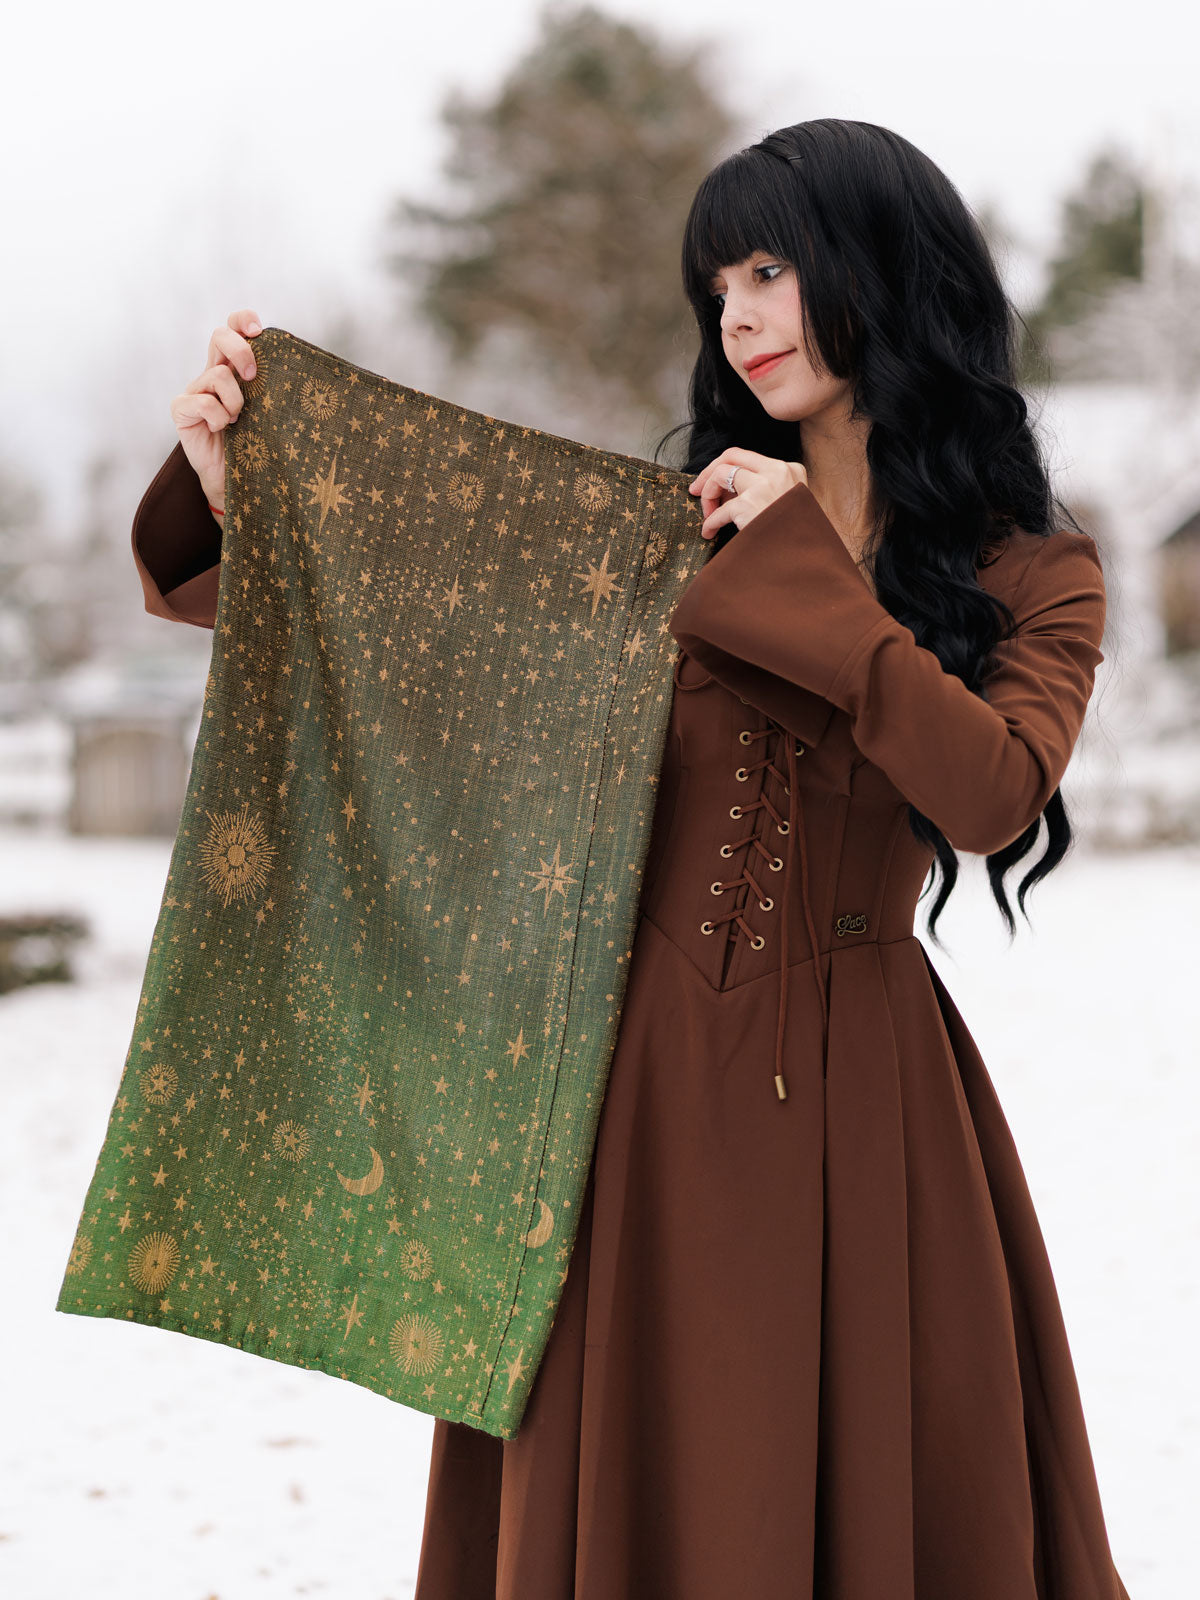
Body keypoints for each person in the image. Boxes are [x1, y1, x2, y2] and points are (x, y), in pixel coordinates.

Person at [129, 118, 1133, 1600]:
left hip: (870, 1118)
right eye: (717, 280)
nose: (736, 314)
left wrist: (800, 569)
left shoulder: (1036, 570)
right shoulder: (667, 537)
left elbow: (990, 792)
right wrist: (243, 489)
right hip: (619, 1112)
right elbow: (410, 639)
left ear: (892, 274)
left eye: (774, 267)